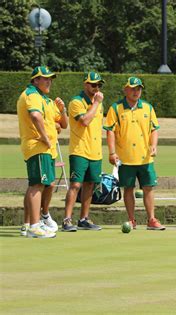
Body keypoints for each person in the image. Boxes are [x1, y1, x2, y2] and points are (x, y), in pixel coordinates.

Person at [104, 77, 165, 230]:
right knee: (128, 189)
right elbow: (110, 131)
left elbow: (154, 129)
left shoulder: (148, 107)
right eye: (132, 88)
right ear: (125, 90)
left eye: (138, 89)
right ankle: (131, 220)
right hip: (125, 158)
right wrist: (112, 152)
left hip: (145, 158)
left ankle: (151, 220)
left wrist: (153, 145)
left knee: (148, 187)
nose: (136, 91)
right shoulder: (116, 108)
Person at [17, 66, 68, 238]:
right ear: (35, 80)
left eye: (50, 78)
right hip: (37, 146)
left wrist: (62, 110)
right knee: (37, 185)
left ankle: (36, 222)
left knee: (43, 183)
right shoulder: (31, 94)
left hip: (46, 149)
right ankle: (34, 226)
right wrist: (45, 137)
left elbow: (63, 124)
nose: (49, 81)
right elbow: (35, 116)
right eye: (45, 78)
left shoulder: (45, 99)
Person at [62, 72, 105, 232]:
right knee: (75, 185)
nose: (96, 88)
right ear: (85, 84)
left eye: (99, 85)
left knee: (90, 184)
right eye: (93, 85)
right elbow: (85, 121)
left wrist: (97, 103)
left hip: (95, 151)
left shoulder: (98, 103)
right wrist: (96, 104)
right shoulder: (76, 102)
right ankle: (67, 219)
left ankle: (84, 218)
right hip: (79, 150)